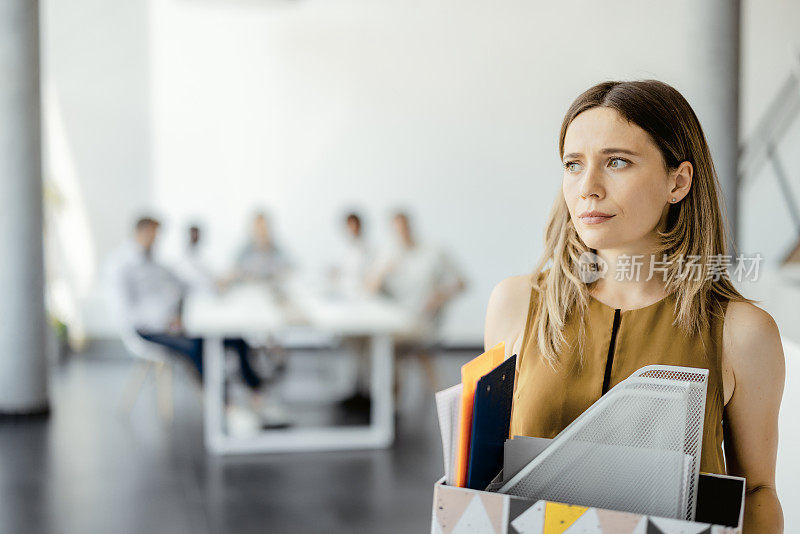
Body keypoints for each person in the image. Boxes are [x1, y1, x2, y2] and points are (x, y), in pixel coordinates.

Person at [484, 80, 784, 532]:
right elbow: (484, 474)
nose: (588, 187)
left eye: (617, 162)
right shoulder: (515, 304)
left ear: (677, 182)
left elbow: (756, 492)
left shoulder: (742, 331)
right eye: (573, 165)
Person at [105, 217, 263, 393]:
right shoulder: (120, 265)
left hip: (174, 320)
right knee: (197, 346)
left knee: (235, 338)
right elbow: (124, 313)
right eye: (154, 235)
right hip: (149, 330)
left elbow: (178, 281)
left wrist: (213, 284)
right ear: (143, 232)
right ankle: (222, 402)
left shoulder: (152, 259)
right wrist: (166, 322)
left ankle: (255, 393)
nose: (157, 240)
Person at [368, 211, 467, 393]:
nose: (402, 231)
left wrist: (441, 295)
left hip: (425, 319)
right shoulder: (388, 254)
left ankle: (390, 398)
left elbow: (462, 282)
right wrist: (382, 274)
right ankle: (387, 399)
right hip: (398, 319)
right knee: (379, 341)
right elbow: (369, 289)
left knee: (386, 345)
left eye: (404, 226)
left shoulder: (433, 251)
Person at [232, 211, 291, 283]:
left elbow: (289, 268)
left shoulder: (277, 250)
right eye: (258, 228)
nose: (261, 232)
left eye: (263, 228)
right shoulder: (245, 251)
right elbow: (235, 270)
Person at [172, 224, 216, 294]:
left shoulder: (204, 254)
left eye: (196, 234)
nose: (195, 236)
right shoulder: (182, 257)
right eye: (193, 234)